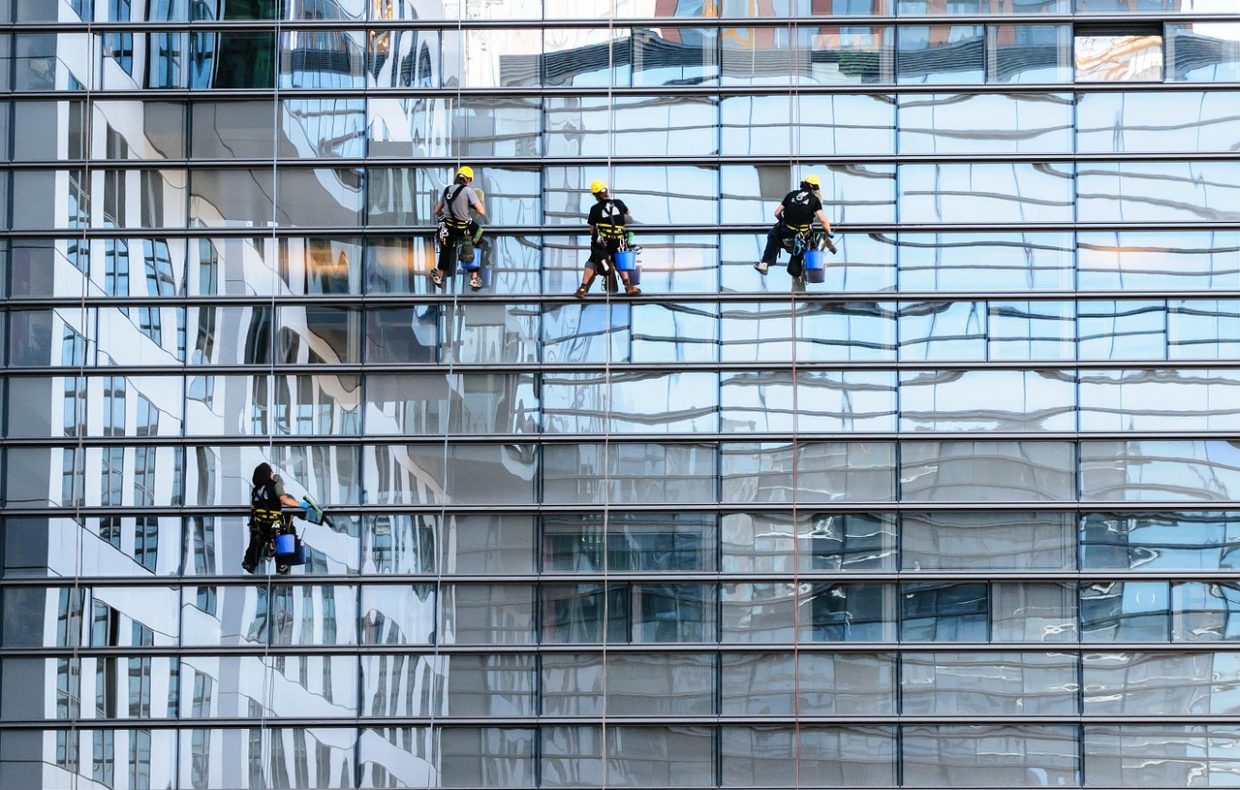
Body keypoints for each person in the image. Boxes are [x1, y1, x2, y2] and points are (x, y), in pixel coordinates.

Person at [755, 174, 837, 284]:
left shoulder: (791, 195)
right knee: (810, 244)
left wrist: (782, 221)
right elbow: (823, 221)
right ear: (814, 188)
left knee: (773, 234)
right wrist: (829, 231)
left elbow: (776, 213)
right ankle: (802, 272)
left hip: (786, 232)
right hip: (803, 235)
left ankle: (765, 263)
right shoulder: (814, 200)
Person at [243, 463, 314, 575]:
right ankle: (281, 565)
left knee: (256, 541)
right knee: (283, 537)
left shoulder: (256, 490)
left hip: (260, 524)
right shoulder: (277, 488)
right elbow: (285, 500)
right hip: (275, 524)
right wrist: (301, 505)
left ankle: (250, 563)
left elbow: (253, 507)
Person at [575, 180, 641, 298]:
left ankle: (583, 288)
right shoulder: (619, 203)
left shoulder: (594, 208)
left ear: (595, 195)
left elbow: (592, 229)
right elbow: (629, 216)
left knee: (592, 260)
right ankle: (628, 287)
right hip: (618, 239)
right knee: (619, 260)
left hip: (603, 242)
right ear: (606, 191)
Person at [431, 165, 487, 291]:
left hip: (449, 227)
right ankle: (474, 277)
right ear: (469, 180)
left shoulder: (446, 190)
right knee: (478, 237)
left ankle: (439, 276)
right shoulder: (468, 191)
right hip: (464, 227)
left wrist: (445, 217)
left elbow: (436, 211)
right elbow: (482, 211)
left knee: (445, 249)